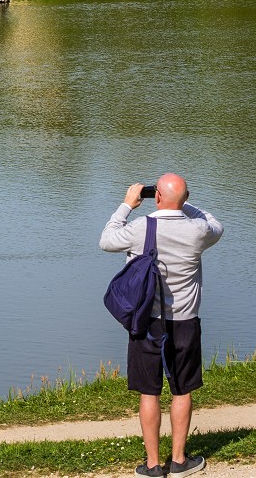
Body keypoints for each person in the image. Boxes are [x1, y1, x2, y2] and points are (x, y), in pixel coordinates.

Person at [100, 174, 223, 477]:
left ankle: (153, 465)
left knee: (149, 392)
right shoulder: (198, 231)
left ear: (155, 197)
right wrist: (183, 202)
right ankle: (179, 461)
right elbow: (216, 223)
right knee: (181, 391)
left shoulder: (142, 227)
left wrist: (127, 205)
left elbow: (106, 240)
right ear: (184, 198)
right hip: (185, 320)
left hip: (146, 321)